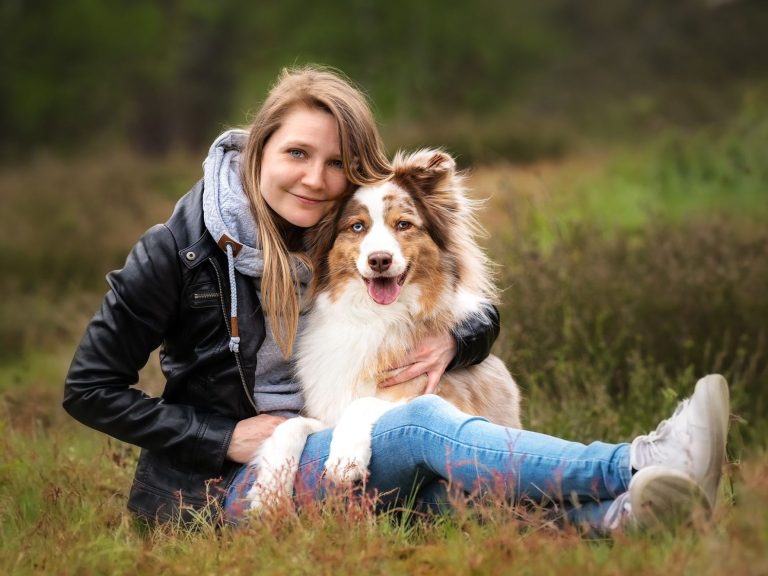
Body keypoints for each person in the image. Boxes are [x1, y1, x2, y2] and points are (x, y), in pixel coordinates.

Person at [64, 66, 730, 534]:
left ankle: (622, 518)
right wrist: (224, 437)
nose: (314, 178)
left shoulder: (336, 230)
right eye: (296, 153)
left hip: (325, 460)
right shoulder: (177, 250)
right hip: (213, 493)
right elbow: (88, 387)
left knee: (439, 500)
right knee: (416, 425)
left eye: (335, 163)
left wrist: (458, 337)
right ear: (258, 147)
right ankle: (638, 460)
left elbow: (450, 284)